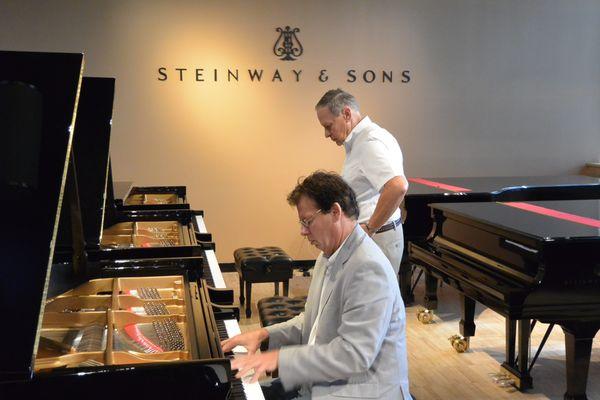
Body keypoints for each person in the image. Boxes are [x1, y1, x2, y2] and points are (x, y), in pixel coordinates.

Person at [222, 171, 411, 400]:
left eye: (308, 221)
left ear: (335, 212)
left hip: (362, 390)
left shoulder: (368, 268)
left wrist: (278, 359)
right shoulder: (328, 255)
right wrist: (263, 335)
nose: (303, 231)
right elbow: (314, 321)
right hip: (321, 382)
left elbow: (354, 355)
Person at [315, 89, 408, 275]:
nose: (326, 134)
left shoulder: (369, 143)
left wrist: (368, 228)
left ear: (346, 114)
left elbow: (397, 186)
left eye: (328, 126)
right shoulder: (364, 140)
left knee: (372, 302)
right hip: (375, 236)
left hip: (377, 238)